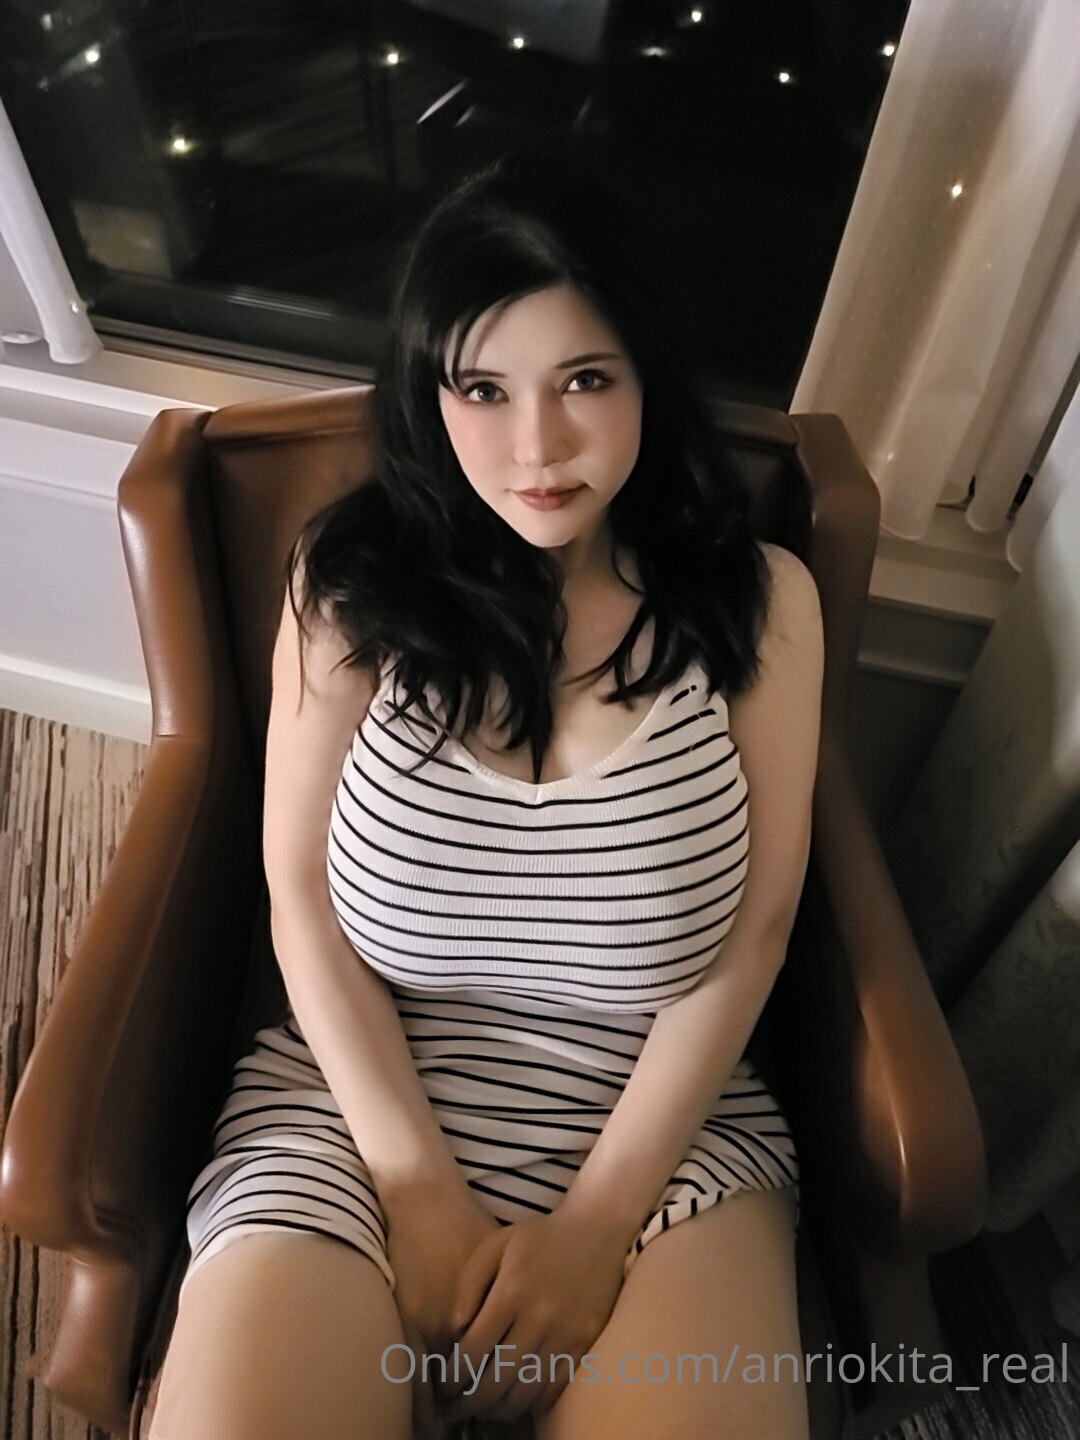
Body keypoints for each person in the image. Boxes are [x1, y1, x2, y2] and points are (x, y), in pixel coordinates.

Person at [147, 144, 823, 1440]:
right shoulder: (348, 589)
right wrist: (415, 1190)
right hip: (355, 1110)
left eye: (585, 380)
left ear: (647, 376)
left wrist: (598, 1224)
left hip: (663, 1135)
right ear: (429, 391)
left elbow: (759, 929)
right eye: (483, 388)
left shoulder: (761, 605)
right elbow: (300, 896)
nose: (537, 446)